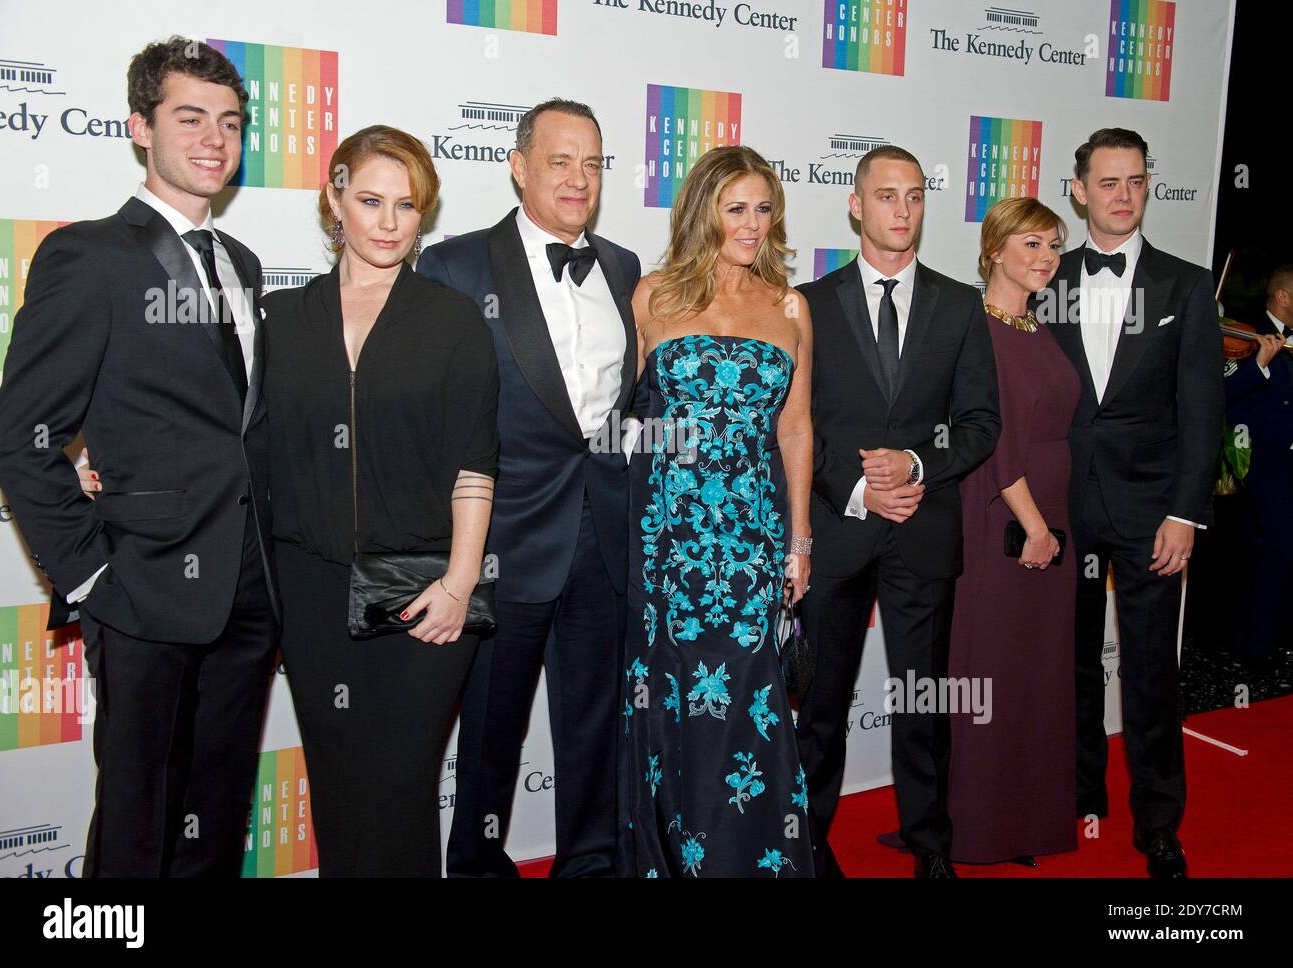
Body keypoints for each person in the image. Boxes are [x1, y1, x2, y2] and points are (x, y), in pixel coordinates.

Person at [0, 37, 278, 877]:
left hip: (249, 593)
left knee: (218, 813)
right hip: (144, 586)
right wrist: (88, 578)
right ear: (138, 128)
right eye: (189, 118)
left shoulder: (244, 265)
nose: (213, 140)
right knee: (136, 825)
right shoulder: (90, 255)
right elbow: (22, 433)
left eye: (229, 123)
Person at [261, 126, 497, 876]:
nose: (390, 222)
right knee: (338, 789)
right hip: (310, 588)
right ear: (335, 198)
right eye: (370, 200)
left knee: (398, 787)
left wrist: (460, 584)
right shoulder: (280, 319)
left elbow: (474, 465)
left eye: (407, 205)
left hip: (422, 588)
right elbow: (234, 440)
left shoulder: (453, 320)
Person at [416, 99, 639, 877]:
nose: (578, 179)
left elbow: (625, 406)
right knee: (487, 730)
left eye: (593, 163)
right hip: (499, 543)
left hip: (604, 540)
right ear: (518, 166)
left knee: (595, 723)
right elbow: (434, 420)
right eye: (559, 160)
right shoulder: (456, 265)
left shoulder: (622, 265)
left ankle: (591, 862)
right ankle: (476, 866)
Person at [797, 145, 1001, 878]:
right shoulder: (808, 304)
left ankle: (930, 847)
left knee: (922, 706)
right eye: (887, 197)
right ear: (856, 205)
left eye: (914, 196)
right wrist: (853, 490)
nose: (903, 211)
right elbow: (794, 430)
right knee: (820, 706)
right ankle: (809, 845)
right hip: (836, 534)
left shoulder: (958, 303)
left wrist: (917, 465)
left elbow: (981, 423)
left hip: (923, 533)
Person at [622, 144, 815, 878]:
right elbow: (627, 421)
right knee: (673, 700)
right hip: (672, 540)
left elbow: (796, 428)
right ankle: (673, 859)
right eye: (736, 208)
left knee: (751, 701)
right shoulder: (654, 295)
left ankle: (753, 860)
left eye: (764, 209)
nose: (753, 224)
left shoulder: (790, 305)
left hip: (754, 540)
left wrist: (798, 542)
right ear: (704, 211)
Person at [1037, 127, 1224, 879]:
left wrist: (1185, 512)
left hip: (1154, 514)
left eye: (1135, 181)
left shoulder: (1185, 285)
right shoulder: (1045, 278)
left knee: (1151, 672)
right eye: (1107, 182)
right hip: (1063, 509)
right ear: (1078, 191)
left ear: (1148, 186)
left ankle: (1159, 822)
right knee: (1070, 665)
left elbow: (1202, 413)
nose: (1122, 195)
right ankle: (1079, 793)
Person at [943, 197, 1079, 865]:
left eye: (1053, 244)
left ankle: (1026, 820)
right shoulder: (979, 328)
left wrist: (1054, 524)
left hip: (1052, 516)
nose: (1046, 256)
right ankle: (980, 826)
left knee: (1034, 670)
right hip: (1006, 518)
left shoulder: (1034, 326)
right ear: (995, 249)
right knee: (992, 668)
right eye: (1030, 244)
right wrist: (1034, 526)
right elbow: (993, 439)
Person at [1222, 265, 1293, 665]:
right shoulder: (1242, 334)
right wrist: (1260, 365)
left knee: (1285, 556)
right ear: (1282, 297)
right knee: (1264, 556)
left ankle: (1279, 637)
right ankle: (1253, 647)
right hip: (1259, 465)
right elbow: (1221, 390)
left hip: (1289, 463)